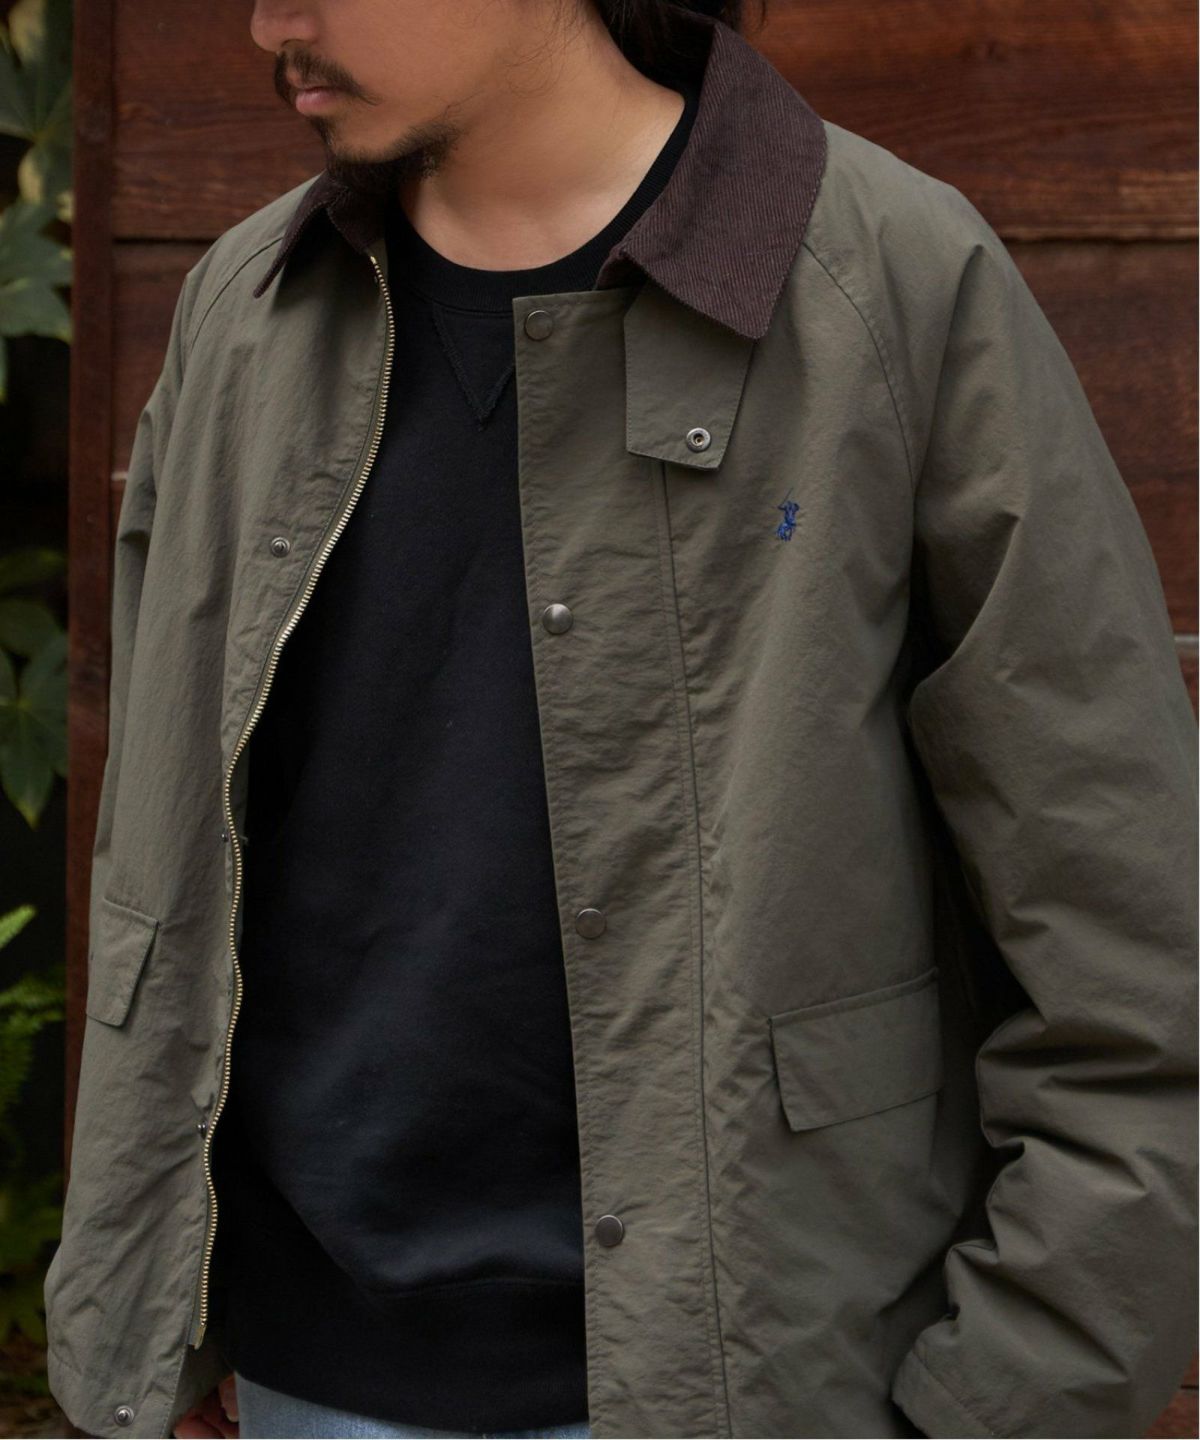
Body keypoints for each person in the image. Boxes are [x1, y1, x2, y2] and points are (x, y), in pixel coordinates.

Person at [45, 1, 1197, 1438]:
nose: (270, 20)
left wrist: (999, 1406)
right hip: (299, 1378)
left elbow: (1132, 955)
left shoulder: (892, 288)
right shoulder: (245, 309)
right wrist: (161, 1315)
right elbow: (167, 859)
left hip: (764, 1385)